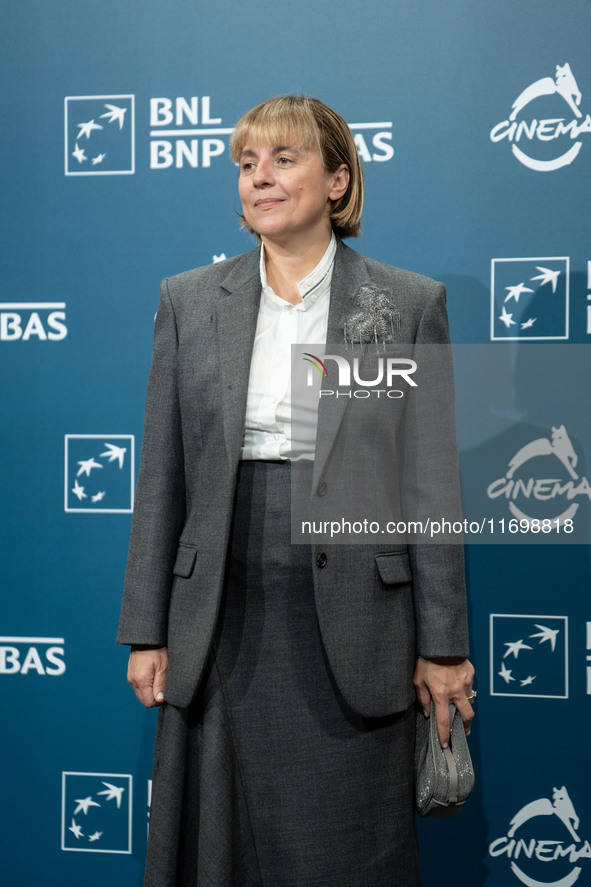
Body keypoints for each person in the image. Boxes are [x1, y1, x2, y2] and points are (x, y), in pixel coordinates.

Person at [118, 94, 475, 887]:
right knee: (221, 844)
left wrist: (443, 643)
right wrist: (148, 625)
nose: (259, 180)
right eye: (246, 165)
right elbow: (163, 474)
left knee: (344, 848)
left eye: (283, 160)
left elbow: (429, 485)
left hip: (357, 620)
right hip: (219, 609)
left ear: (338, 181)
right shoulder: (187, 300)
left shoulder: (406, 302)